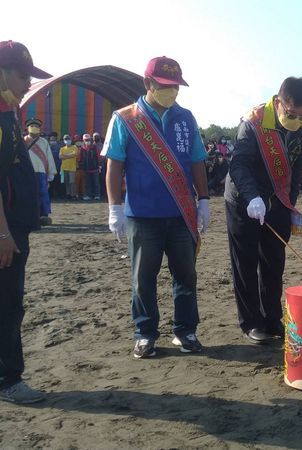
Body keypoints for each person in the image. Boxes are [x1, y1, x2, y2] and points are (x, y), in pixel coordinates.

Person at [102, 56, 210, 359]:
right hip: (142, 216)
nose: (171, 91)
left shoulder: (186, 118)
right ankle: (145, 333)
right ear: (148, 83)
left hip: (181, 214)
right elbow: (114, 165)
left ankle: (185, 330)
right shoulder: (126, 118)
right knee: (143, 279)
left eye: (175, 86)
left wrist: (203, 200)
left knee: (186, 276)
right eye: (165, 86)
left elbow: (197, 160)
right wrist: (115, 208)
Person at [225, 77, 302, 343]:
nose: (297, 119)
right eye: (291, 113)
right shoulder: (253, 122)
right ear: (278, 102)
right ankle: (252, 322)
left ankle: (272, 319)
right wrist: (252, 197)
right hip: (244, 201)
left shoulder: (301, 124)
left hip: (278, 201)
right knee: (246, 263)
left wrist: (291, 202)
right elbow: (238, 164)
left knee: (274, 262)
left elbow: (297, 168)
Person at [0, 40, 51, 404]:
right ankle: (8, 379)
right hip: (5, 233)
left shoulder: (10, 113)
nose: (26, 83)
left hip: (13, 229)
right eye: (22, 75)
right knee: (7, 303)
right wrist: (3, 232)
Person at [23, 117, 56, 225]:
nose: (34, 128)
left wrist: (51, 173)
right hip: (27, 173)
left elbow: (49, 157)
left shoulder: (44, 142)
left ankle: (43, 215)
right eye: (32, 126)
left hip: (41, 172)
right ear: (28, 128)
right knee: (28, 194)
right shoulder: (23, 141)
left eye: (36, 126)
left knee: (43, 193)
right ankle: (30, 215)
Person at [79, 133, 100, 200]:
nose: (87, 141)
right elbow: (80, 158)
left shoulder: (94, 147)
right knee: (87, 183)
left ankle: (97, 195)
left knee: (96, 183)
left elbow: (98, 156)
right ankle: (88, 195)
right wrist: (82, 165)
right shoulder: (82, 148)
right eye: (85, 140)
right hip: (86, 169)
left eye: (88, 140)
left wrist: (99, 165)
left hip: (95, 168)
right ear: (83, 140)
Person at [58, 134, 79, 200]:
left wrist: (65, 156)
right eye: (65, 139)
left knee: (72, 182)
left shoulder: (74, 147)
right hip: (64, 168)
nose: (67, 140)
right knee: (67, 182)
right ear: (64, 141)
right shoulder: (62, 148)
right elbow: (60, 157)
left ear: (71, 139)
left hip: (72, 168)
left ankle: (73, 195)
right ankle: (68, 194)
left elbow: (75, 154)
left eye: (68, 139)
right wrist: (70, 155)